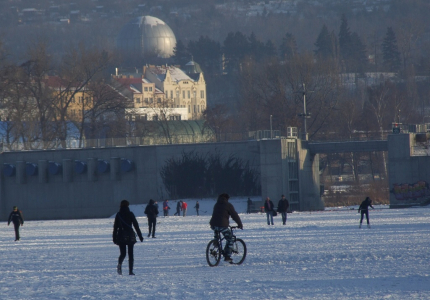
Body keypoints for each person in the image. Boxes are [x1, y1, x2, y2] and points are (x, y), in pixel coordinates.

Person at [112, 200, 144, 275]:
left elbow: (115, 227)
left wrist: (114, 238)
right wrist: (140, 236)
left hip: (121, 236)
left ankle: (119, 265)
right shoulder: (130, 214)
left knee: (123, 253)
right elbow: (136, 226)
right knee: (131, 254)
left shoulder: (118, 215)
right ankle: (130, 271)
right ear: (128, 205)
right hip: (130, 236)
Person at [209, 193, 243, 263]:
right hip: (222, 225)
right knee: (230, 239)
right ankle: (227, 256)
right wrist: (239, 224)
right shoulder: (228, 205)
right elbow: (234, 215)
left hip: (213, 224)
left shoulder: (216, 204)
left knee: (217, 231)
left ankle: (216, 242)